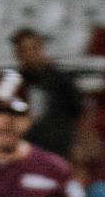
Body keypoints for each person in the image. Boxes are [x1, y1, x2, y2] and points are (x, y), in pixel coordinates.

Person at [11, 30, 84, 159]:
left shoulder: (62, 80)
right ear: (17, 53)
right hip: (25, 149)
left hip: (56, 147)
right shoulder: (12, 82)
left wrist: (78, 143)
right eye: (23, 50)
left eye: (33, 48)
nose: (29, 54)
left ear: (41, 48)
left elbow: (78, 112)